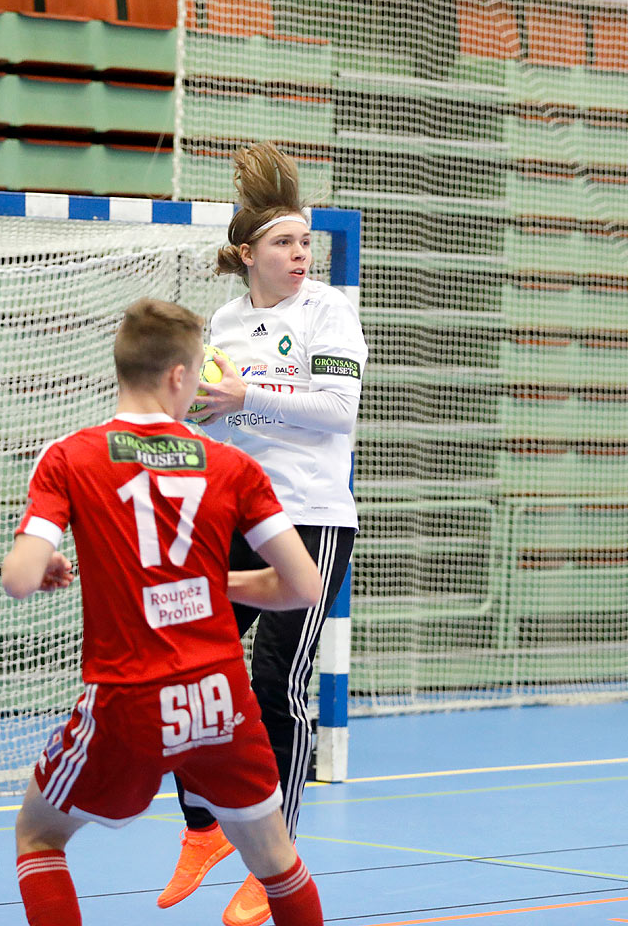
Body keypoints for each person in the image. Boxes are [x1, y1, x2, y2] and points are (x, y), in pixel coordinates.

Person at [2, 297, 326, 926]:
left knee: (38, 837)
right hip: (219, 699)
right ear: (181, 376)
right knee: (279, 865)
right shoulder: (233, 466)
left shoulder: (71, 455)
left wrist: (37, 566)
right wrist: (209, 580)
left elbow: (17, 580)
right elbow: (305, 586)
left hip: (128, 698)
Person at [160, 143, 366, 926]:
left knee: (280, 680)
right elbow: (219, 419)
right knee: (185, 664)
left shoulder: (328, 313)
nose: (301, 255)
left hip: (309, 523)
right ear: (248, 253)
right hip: (236, 516)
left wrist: (247, 398)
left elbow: (337, 412)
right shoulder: (225, 321)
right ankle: (205, 828)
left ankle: (273, 865)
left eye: (306, 242)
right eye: (285, 243)